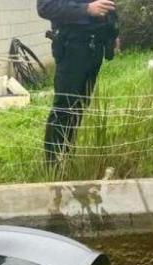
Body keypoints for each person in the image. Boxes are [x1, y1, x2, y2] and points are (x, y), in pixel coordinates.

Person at [38, 0, 119, 165]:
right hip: (71, 48)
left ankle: (67, 159)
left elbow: (107, 6)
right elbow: (45, 7)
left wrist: (112, 32)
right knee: (64, 108)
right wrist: (86, 9)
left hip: (95, 46)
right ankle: (54, 165)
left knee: (79, 107)